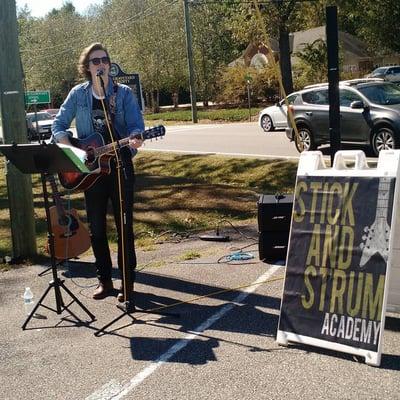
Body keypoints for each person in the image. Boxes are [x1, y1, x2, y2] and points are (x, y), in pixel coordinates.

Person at [52, 43, 144, 302]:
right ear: (87, 67)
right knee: (97, 229)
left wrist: (135, 138)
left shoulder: (123, 94)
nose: (101, 64)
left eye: (104, 60)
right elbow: (58, 125)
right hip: (91, 172)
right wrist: (76, 151)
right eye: (95, 61)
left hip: (121, 167)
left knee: (125, 228)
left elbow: (137, 126)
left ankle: (128, 284)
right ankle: (105, 281)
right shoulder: (78, 95)